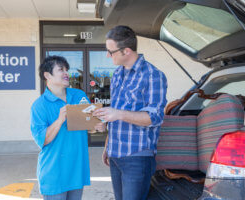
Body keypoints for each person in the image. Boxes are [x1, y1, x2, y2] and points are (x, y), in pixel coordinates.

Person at [93, 25, 168, 200]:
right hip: (115, 153)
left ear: (126, 51)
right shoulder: (117, 74)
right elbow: (114, 112)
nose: (107, 55)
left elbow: (155, 118)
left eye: (110, 51)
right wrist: (107, 145)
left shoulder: (153, 75)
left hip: (137, 157)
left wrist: (118, 113)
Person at [30, 55, 105, 200]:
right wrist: (59, 120)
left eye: (67, 70)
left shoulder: (79, 95)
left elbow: (89, 127)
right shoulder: (39, 105)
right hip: (54, 173)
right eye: (61, 70)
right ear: (47, 75)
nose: (66, 73)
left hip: (76, 169)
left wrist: (97, 126)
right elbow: (43, 140)